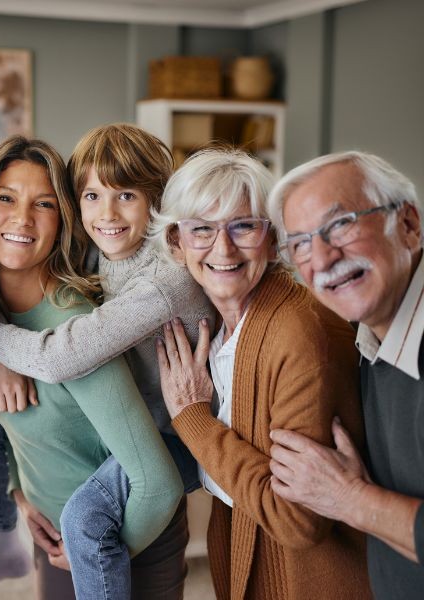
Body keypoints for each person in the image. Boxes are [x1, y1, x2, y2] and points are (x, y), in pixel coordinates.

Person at [0, 124, 213, 600]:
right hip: (52, 526)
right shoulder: (93, 257)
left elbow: (59, 358)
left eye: (44, 204)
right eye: (6, 198)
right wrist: (19, 492)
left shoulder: (140, 291)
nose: (23, 219)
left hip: (135, 509)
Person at [151, 147, 371, 599]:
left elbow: (297, 519)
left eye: (244, 225)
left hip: (309, 580)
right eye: (202, 230)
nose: (223, 247)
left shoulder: (298, 335)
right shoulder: (213, 324)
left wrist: (193, 418)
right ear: (177, 242)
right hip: (244, 563)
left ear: (273, 240)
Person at [266, 151, 424, 599]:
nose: (322, 256)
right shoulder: (366, 338)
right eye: (299, 242)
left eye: (341, 224)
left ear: (408, 225)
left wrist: (349, 499)